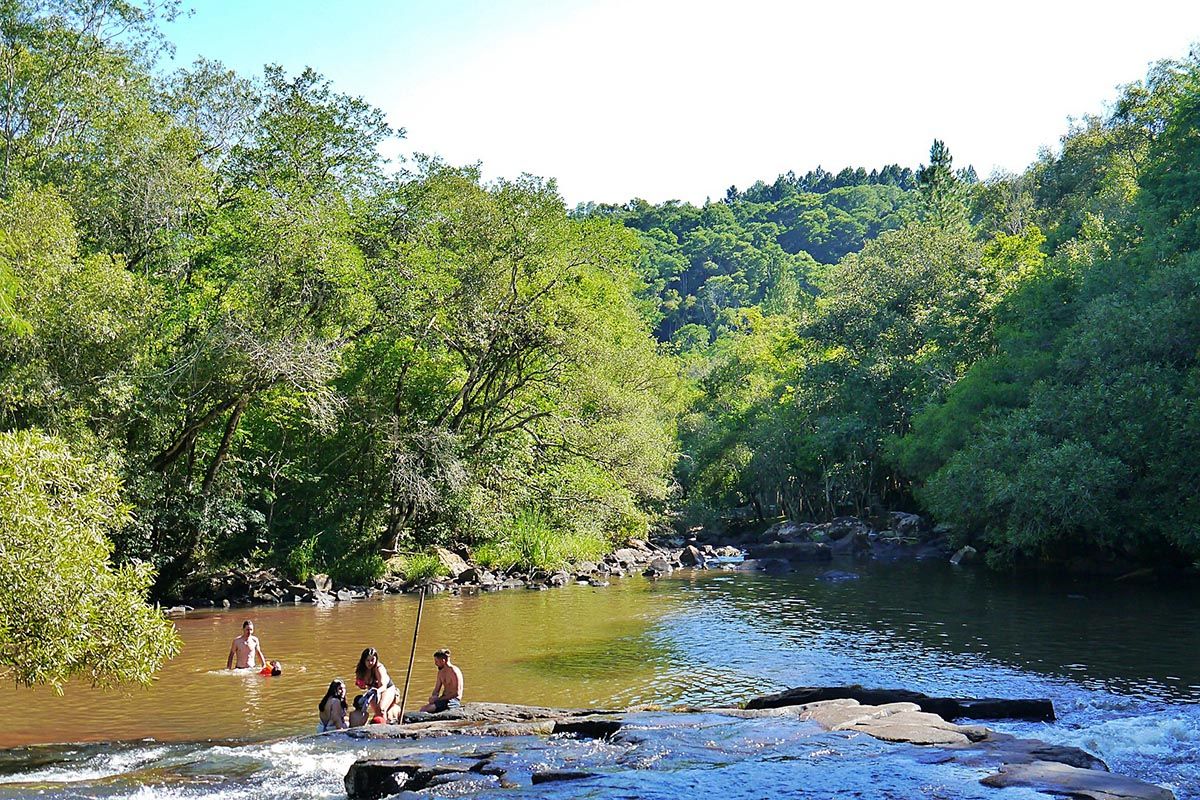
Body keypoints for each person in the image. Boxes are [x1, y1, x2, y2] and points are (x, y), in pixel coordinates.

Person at [354, 648, 399, 722]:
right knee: (377, 712)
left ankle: (384, 729)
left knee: (381, 709)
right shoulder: (361, 669)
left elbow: (383, 686)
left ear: (376, 659)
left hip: (386, 688)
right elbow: (360, 684)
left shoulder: (379, 668)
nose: (370, 663)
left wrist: (377, 691)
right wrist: (360, 685)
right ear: (363, 660)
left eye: (372, 660)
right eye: (367, 660)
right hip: (372, 690)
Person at [419, 648, 463, 713]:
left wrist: (439, 699)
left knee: (424, 710)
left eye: (436, 661)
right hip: (443, 699)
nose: (435, 663)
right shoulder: (440, 673)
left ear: (443, 661)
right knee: (423, 708)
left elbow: (456, 693)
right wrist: (433, 697)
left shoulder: (454, 671)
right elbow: (437, 689)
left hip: (453, 700)